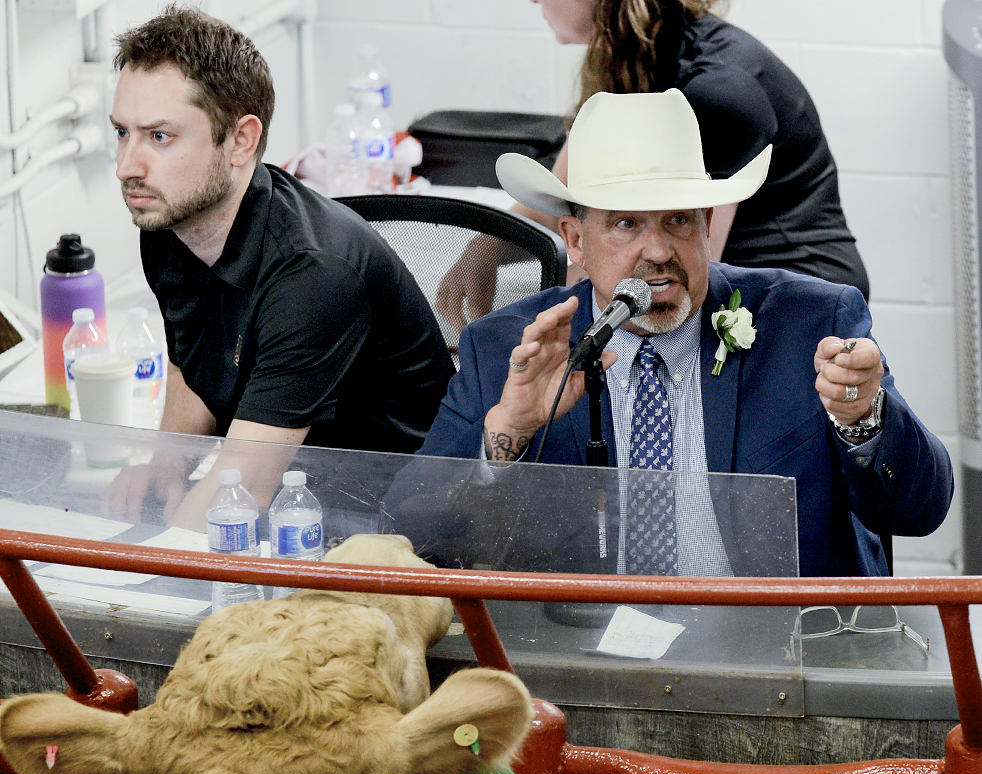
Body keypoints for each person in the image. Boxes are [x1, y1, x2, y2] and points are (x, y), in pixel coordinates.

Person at [419, 91, 953, 578]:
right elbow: (417, 541)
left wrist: (865, 418)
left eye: (678, 220)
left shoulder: (807, 323)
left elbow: (921, 509)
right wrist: (506, 434)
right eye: (627, 223)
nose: (657, 251)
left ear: (706, 225)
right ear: (575, 240)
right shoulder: (505, 351)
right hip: (585, 652)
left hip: (776, 648)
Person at [103, 6, 454, 528]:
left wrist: (117, 584)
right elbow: (192, 357)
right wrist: (166, 463)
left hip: (389, 521)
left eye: (159, 137)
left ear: (241, 141)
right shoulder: (171, 222)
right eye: (122, 133)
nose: (127, 167)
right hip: (293, 486)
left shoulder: (313, 276)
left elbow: (243, 493)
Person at [436, 0, 868, 333]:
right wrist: (484, 250)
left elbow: (686, 267)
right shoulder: (638, 59)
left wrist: (533, 318)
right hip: (710, 274)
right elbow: (564, 195)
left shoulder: (715, 89)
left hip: (789, 293)